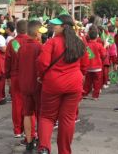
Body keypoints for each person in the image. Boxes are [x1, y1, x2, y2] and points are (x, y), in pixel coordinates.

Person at [37, 14, 88, 154]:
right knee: (68, 119)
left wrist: (41, 76)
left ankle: (44, 148)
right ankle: (65, 151)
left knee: (47, 116)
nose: (53, 26)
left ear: (64, 26)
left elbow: (42, 63)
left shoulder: (51, 42)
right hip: (74, 84)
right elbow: (85, 64)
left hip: (53, 83)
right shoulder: (79, 42)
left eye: (56, 24)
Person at [17, 20, 44, 152]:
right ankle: (41, 140)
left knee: (27, 113)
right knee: (40, 114)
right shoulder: (39, 47)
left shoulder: (21, 47)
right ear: (37, 33)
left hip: (24, 84)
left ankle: (29, 142)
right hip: (37, 85)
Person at [5, 20, 29, 138]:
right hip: (29, 76)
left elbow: (7, 61)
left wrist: (7, 76)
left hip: (15, 76)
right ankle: (28, 130)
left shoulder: (13, 43)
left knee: (17, 103)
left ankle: (18, 129)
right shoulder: (32, 42)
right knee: (29, 103)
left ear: (16, 30)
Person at [83, 25, 107, 100]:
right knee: (97, 82)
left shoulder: (86, 46)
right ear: (97, 36)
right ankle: (95, 96)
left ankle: (85, 94)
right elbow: (104, 55)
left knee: (87, 81)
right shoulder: (99, 45)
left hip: (88, 66)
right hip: (97, 67)